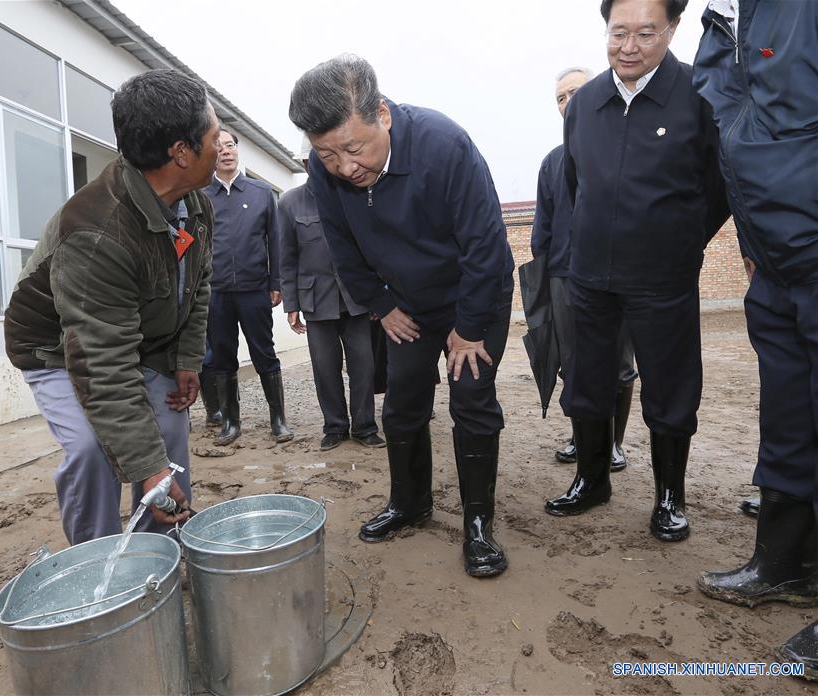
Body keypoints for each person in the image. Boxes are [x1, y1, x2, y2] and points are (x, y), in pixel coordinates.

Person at [289, 55, 515, 577]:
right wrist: (382, 305)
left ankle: (478, 524)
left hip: (472, 293)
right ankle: (410, 502)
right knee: (403, 405)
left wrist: (470, 327)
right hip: (406, 304)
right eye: (327, 155)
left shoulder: (444, 145)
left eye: (353, 148)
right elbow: (342, 249)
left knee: (472, 400)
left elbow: (485, 244)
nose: (346, 167)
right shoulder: (326, 173)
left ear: (383, 115)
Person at [3, 69, 218, 544]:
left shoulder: (196, 206)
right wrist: (147, 468)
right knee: (91, 449)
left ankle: (157, 550)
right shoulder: (97, 235)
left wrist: (185, 360)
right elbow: (103, 367)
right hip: (59, 347)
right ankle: (97, 563)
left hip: (141, 336)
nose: (222, 145)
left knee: (170, 426)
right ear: (181, 152)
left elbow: (198, 284)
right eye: (214, 135)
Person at [545, 0, 728, 543]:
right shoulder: (585, 105)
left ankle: (670, 496)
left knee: (670, 389)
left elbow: (718, 188)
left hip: (663, 278)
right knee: (587, 380)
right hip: (591, 278)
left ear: (672, 29)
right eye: (617, 32)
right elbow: (576, 185)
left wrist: (681, 242)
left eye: (645, 34)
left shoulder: (699, 96)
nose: (628, 47)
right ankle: (592, 479)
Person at [693, 0, 818, 679]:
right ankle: (783, 564)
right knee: (789, 421)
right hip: (774, 264)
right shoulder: (722, 23)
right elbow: (732, 143)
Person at [531, 66, 637, 472]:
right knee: (573, 364)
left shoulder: (625, 149)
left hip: (618, 274)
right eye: (560, 97)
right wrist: (541, 278)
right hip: (563, 275)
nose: (568, 101)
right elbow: (542, 225)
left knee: (620, 364)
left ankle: (614, 444)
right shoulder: (551, 163)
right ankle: (582, 438)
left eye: (575, 92)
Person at [278, 136, 385, 452]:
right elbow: (287, 257)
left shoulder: (354, 195)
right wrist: (291, 303)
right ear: (304, 164)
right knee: (325, 368)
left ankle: (365, 427)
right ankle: (335, 427)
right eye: (314, 160)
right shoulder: (289, 203)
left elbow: (372, 250)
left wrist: (378, 295)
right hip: (315, 300)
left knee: (364, 366)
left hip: (356, 299)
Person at [200, 130, 293, 446]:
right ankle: (230, 421)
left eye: (230, 145)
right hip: (216, 292)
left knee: (264, 353)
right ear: (211, 153)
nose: (225, 151)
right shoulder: (201, 196)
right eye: (219, 146)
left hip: (255, 290)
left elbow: (275, 240)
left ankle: (278, 420)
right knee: (221, 358)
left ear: (237, 151)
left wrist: (276, 282)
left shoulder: (261, 192)